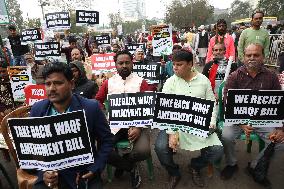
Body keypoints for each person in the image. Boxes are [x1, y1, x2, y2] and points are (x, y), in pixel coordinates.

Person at [30, 62, 113, 189]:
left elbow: (107, 140)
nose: (52, 88)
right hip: (51, 174)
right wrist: (43, 172)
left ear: (71, 84)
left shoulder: (91, 108)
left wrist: (95, 168)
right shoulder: (37, 109)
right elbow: (33, 148)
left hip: (84, 173)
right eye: (48, 84)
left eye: (58, 83)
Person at [155, 49, 223, 189]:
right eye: (173, 64)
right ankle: (174, 172)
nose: (175, 67)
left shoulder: (203, 80)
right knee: (160, 148)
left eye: (179, 64)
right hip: (175, 125)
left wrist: (211, 123)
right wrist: (172, 132)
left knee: (217, 150)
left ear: (190, 64)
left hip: (198, 124)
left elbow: (212, 104)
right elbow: (165, 111)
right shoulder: (170, 82)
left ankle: (195, 166)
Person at [221, 44, 284, 187]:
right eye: (249, 55)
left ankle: (255, 166)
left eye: (256, 55)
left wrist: (280, 128)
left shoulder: (272, 77)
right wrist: (241, 123)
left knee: (281, 142)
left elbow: (279, 104)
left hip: (263, 120)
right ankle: (232, 164)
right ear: (243, 57)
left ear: (263, 56)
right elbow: (227, 102)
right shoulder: (234, 76)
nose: (252, 58)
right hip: (238, 119)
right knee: (226, 136)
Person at [95, 50, 151, 189]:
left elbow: (149, 105)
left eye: (127, 62)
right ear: (116, 65)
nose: (124, 65)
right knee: (103, 150)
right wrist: (103, 117)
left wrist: (139, 126)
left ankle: (123, 161)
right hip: (115, 125)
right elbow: (98, 101)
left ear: (132, 63)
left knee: (143, 151)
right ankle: (130, 167)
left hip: (137, 124)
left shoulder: (141, 82)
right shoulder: (109, 82)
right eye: (121, 63)